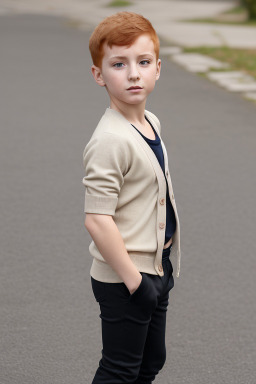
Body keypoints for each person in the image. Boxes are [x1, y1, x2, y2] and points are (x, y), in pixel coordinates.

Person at [82, 11, 181, 384]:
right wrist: (135, 283)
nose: (133, 73)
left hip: (157, 266)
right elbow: (97, 218)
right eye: (118, 64)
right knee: (120, 370)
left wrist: (159, 267)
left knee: (150, 362)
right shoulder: (110, 140)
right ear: (99, 75)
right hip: (127, 275)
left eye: (142, 62)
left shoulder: (150, 122)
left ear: (158, 68)